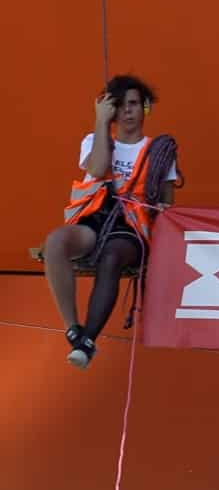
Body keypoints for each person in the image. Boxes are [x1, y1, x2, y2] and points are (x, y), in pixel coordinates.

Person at [42, 75, 179, 370]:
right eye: (119, 106)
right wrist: (101, 123)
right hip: (96, 217)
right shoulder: (94, 140)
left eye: (133, 104)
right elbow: (98, 167)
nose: (126, 111)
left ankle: (88, 340)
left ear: (145, 108)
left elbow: (167, 204)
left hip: (132, 227)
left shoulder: (159, 151)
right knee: (55, 242)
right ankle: (72, 328)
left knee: (112, 256)